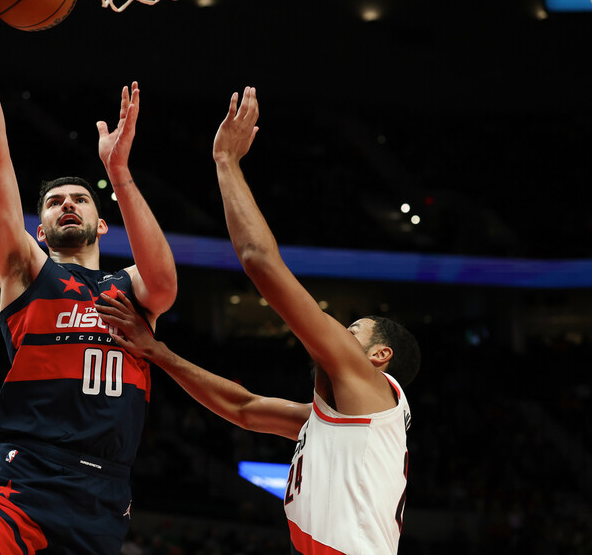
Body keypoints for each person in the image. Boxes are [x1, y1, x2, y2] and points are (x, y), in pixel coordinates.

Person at [95, 87, 421, 555]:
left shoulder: (366, 388)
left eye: (352, 333)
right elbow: (244, 409)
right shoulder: (346, 421)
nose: (337, 337)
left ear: (378, 356)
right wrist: (157, 352)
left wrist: (226, 160)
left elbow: (259, 261)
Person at [0, 0, 178, 555]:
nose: (66, 204)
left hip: (104, 497)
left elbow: (166, 279)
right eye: (53, 203)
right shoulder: (25, 270)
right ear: (39, 230)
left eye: (79, 200)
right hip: (25, 474)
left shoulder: (134, 290)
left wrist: (117, 172)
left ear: (102, 224)